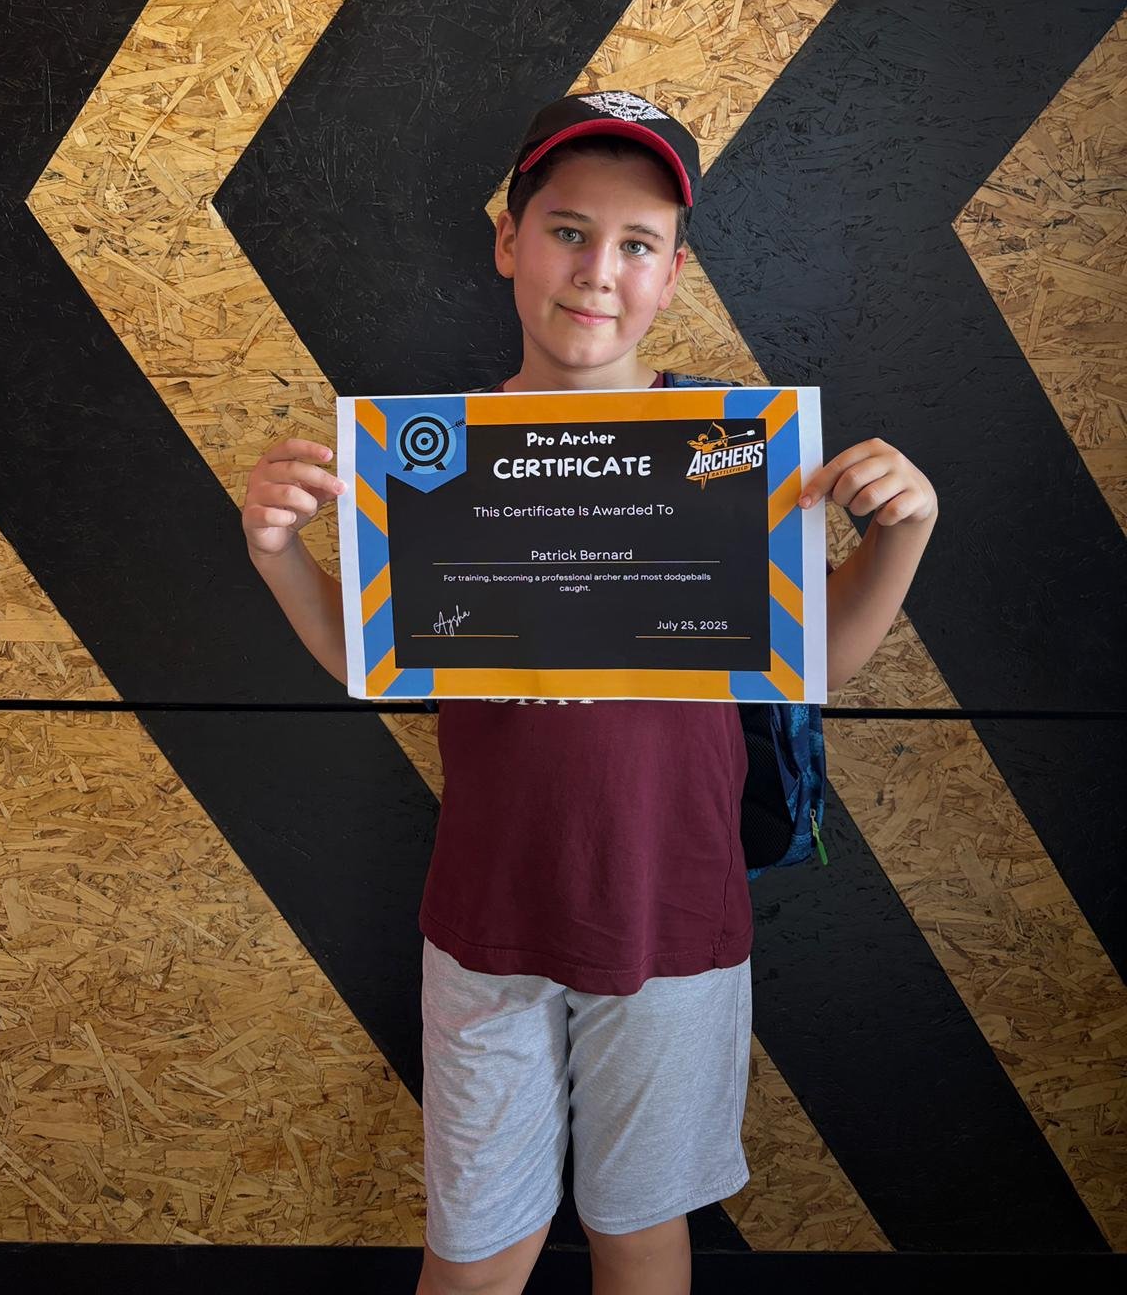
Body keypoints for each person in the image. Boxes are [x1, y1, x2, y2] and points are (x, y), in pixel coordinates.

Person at [240, 91, 938, 1295]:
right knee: (475, 1252)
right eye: (567, 231)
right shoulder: (435, 453)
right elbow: (374, 662)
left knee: (641, 1235)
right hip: (488, 917)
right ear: (509, 242)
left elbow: (813, 663)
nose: (597, 271)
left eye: (636, 243)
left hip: (673, 910)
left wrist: (903, 536)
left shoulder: (732, 446)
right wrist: (278, 555)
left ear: (674, 273)